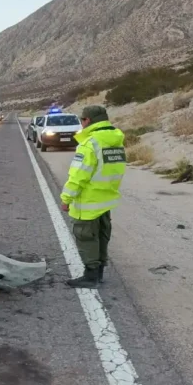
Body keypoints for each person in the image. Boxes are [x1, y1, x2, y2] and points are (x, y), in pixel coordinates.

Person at [60, 105, 126, 288]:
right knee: (102, 236)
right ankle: (100, 272)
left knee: (86, 237)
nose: (81, 124)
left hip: (88, 200)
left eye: (82, 120)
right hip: (106, 199)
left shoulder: (90, 143)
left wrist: (66, 199)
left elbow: (78, 176)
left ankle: (90, 277)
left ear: (87, 120)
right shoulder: (116, 141)